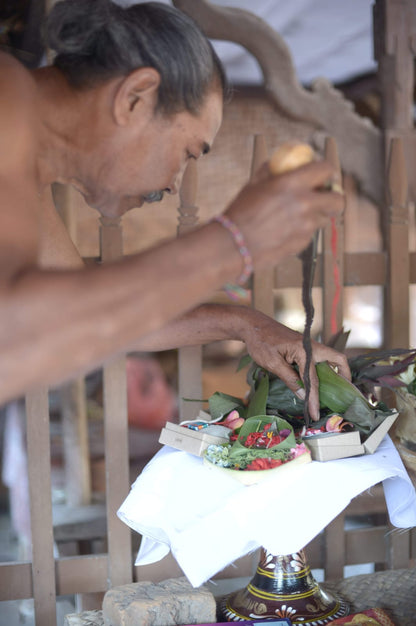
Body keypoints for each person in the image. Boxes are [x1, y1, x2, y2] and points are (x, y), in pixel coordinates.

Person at [0, 0, 349, 421]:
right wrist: (232, 242)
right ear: (135, 98)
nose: (173, 184)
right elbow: (14, 337)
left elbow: (83, 315)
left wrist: (244, 324)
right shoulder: (6, 99)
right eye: (188, 153)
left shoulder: (27, 173)